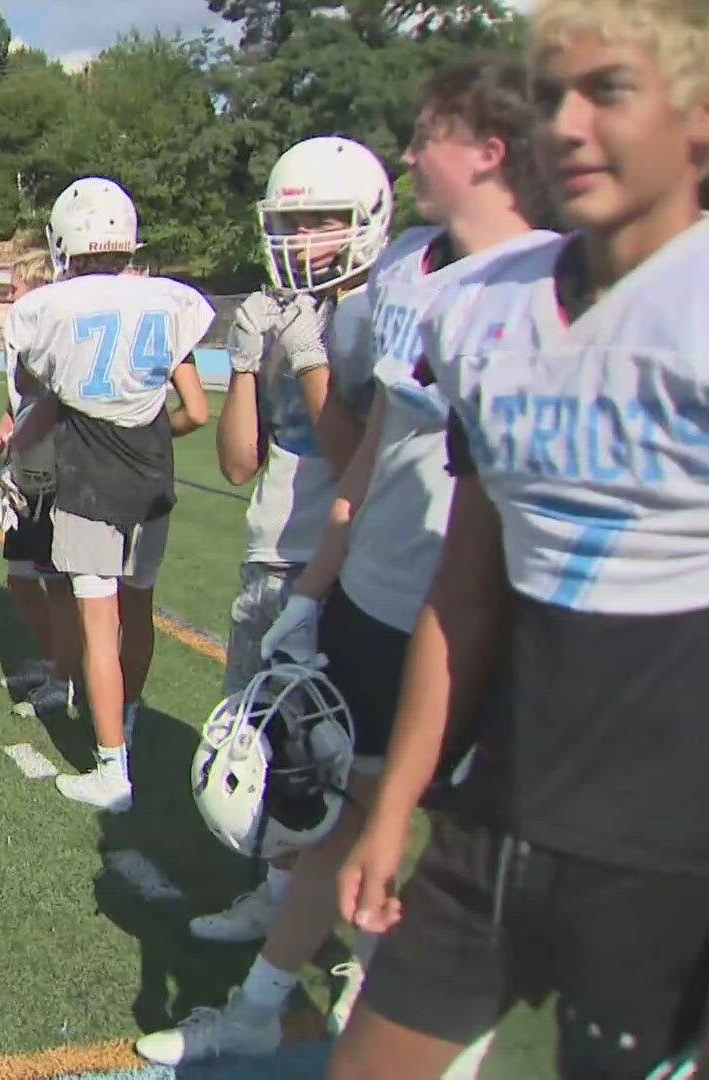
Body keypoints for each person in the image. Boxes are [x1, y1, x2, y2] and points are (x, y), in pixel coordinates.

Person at [140, 64, 559, 1067]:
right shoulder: (411, 277)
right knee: (338, 812)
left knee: (475, 848)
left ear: (492, 153)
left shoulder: (565, 278)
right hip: (380, 594)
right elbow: (368, 453)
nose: (409, 154)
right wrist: (318, 589)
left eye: (428, 138)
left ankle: (413, 1012)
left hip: (497, 613)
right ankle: (264, 1004)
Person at [332, 4, 709, 1076]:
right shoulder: (476, 311)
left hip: (672, 844)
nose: (569, 126)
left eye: (608, 93)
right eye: (552, 98)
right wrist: (397, 803)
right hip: (501, 808)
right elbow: (468, 587)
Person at [184, 135, 396, 949]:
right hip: (270, 551)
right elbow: (239, 461)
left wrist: (309, 355)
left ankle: (357, 935)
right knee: (263, 740)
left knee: (338, 759)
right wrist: (246, 362)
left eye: (321, 221)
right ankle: (278, 902)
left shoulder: (376, 316)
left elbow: (354, 460)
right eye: (293, 221)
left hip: (345, 563)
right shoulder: (280, 314)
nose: (302, 239)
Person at [3, 178, 212, 812]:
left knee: (100, 626)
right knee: (138, 610)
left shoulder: (52, 306)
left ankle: (111, 769)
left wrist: (19, 455)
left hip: (89, 479)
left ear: (66, 240)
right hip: (151, 474)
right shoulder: (168, 298)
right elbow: (193, 411)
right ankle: (130, 717)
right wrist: (148, 432)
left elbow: (32, 386)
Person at [0, 248, 79, 715]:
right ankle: (54, 661)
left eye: (16, 285)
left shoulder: (53, 332)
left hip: (54, 470)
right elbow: (19, 400)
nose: (9, 294)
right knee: (22, 577)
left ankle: (67, 676)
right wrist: (7, 427)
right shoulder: (20, 332)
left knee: (57, 581)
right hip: (26, 465)